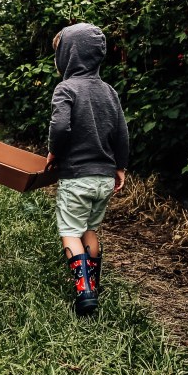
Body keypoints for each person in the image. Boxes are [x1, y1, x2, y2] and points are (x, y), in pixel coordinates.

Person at [45, 23, 129, 316]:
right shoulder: (109, 91)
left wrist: (54, 151)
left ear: (68, 55)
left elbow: (60, 125)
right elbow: (121, 134)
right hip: (104, 178)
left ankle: (84, 291)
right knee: (90, 230)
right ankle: (93, 282)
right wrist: (120, 167)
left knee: (70, 231)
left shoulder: (66, 88)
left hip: (77, 177)